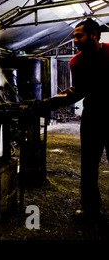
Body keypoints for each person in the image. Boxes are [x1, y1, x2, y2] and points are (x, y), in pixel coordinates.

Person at [42, 18, 109, 220]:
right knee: (88, 165)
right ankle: (90, 210)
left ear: (94, 35)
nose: (75, 40)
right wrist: (50, 102)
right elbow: (78, 90)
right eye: (74, 36)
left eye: (79, 36)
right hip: (93, 117)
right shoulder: (76, 62)